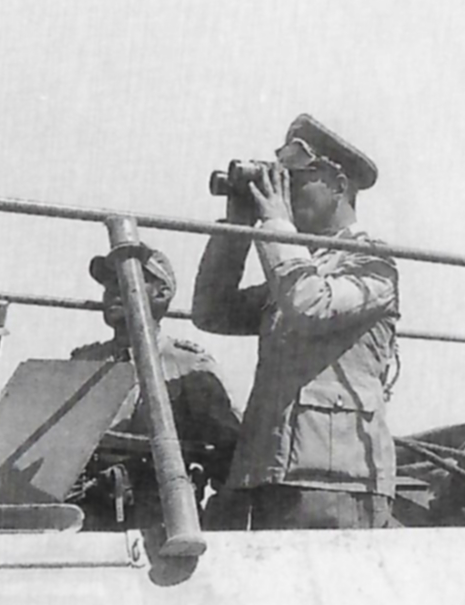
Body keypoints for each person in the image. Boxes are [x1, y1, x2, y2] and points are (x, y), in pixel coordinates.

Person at [192, 114, 399, 529]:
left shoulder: (372, 262)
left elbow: (310, 305)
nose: (283, 191)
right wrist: (237, 226)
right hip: (271, 473)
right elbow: (212, 311)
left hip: (337, 480)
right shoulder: (295, 266)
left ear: (339, 185)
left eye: (296, 179)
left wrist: (275, 226)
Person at [72, 244, 240, 527]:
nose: (112, 291)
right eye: (109, 283)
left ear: (161, 293)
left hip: (156, 516)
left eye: (125, 281)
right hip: (83, 512)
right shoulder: (83, 362)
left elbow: (229, 454)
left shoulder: (188, 365)